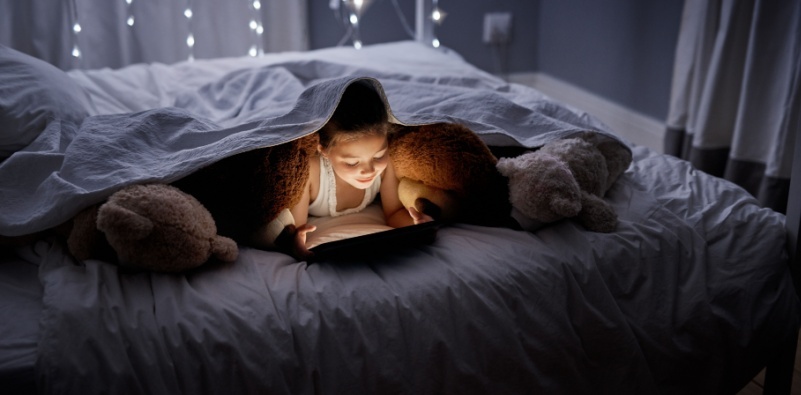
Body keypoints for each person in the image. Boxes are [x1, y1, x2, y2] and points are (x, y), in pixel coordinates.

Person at [262, 81, 432, 260]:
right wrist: (295, 243)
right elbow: (297, 228)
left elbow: (394, 214)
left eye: (378, 156)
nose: (369, 170)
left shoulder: (386, 165)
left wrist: (418, 224)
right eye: (352, 163)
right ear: (323, 150)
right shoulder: (311, 171)